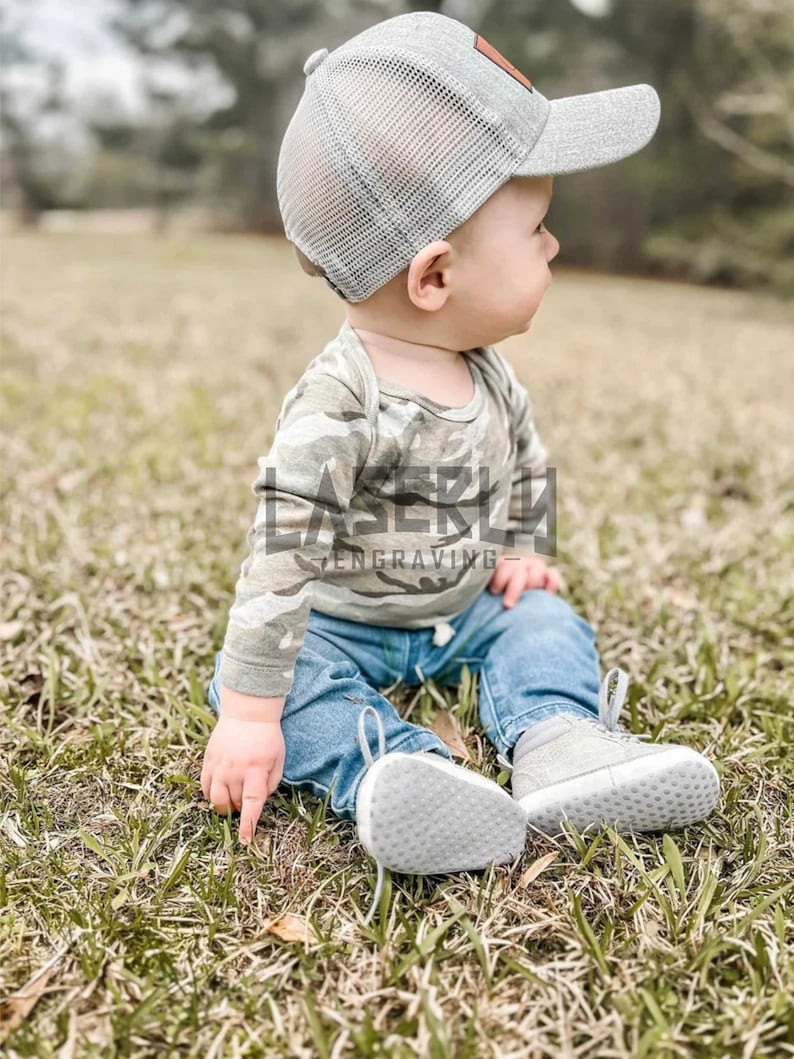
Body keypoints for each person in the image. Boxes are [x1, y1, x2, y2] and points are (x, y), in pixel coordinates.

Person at [200, 11, 720, 906]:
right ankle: (398, 775)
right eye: (537, 228)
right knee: (268, 685)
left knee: (546, 621)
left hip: (464, 604)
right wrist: (247, 716)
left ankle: (558, 741)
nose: (554, 244)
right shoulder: (340, 402)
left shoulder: (490, 371)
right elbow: (280, 556)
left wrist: (523, 542)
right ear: (435, 277)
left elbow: (526, 459)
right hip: (345, 619)